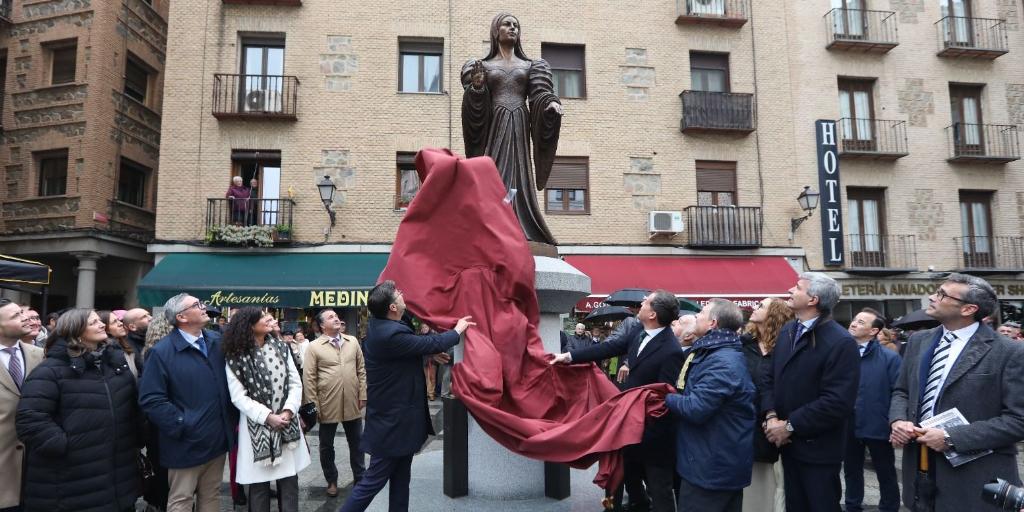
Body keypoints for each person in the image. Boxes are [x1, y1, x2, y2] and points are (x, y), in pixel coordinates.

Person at [889, 274, 1024, 512]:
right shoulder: (919, 341)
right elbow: (901, 390)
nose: (932, 297)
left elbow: (1018, 420)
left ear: (968, 309)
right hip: (919, 471)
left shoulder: (1009, 352)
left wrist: (952, 438)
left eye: (942, 294)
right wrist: (899, 420)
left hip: (976, 480)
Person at [339, 280, 474, 512]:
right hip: (392, 424)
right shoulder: (388, 333)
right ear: (392, 307)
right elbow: (432, 340)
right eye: (398, 293)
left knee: (402, 480)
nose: (403, 295)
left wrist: (428, 354)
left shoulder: (384, 326)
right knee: (371, 483)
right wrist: (457, 330)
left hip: (400, 422)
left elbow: (406, 353)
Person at [551, 290, 686, 512]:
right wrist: (569, 357)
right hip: (628, 430)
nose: (642, 302)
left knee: (659, 491)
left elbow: (665, 397)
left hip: (652, 438)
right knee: (628, 485)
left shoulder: (671, 350)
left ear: (652, 314)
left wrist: (644, 431)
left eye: (647, 301)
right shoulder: (638, 332)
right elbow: (609, 347)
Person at [16, 308, 142, 512]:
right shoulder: (50, 370)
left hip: (118, 475)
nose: (102, 324)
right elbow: (30, 420)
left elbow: (132, 409)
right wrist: (67, 447)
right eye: (93, 323)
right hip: (70, 480)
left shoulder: (115, 365)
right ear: (76, 331)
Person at [460, 12, 564, 245]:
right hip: (494, 128)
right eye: (507, 24)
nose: (512, 28)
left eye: (516, 25)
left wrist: (551, 104)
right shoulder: (482, 66)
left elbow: (540, 94)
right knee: (493, 175)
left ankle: (522, 226)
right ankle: (491, 225)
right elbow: (475, 106)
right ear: (496, 31)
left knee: (519, 176)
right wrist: (476, 88)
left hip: (518, 123)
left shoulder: (531, 65)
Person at [762, 272, 859, 512]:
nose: (790, 290)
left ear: (813, 299)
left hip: (819, 451)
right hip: (786, 446)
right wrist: (771, 415)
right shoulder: (787, 332)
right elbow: (769, 378)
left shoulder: (841, 342)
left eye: (797, 287)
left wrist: (789, 426)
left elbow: (837, 402)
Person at [138, 294, 235, 512]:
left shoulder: (216, 341)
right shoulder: (161, 352)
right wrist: (183, 423)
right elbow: (151, 399)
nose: (204, 307)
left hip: (217, 440)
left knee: (211, 496)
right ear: (181, 317)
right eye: (197, 305)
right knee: (181, 500)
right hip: (185, 443)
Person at [667, 299, 754, 512]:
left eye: (701, 313)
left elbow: (696, 408)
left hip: (711, 468)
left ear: (712, 323)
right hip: (708, 460)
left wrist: (666, 396)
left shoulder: (722, 361)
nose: (696, 316)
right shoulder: (712, 352)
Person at [223, 308, 310, 512]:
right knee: (259, 487)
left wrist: (288, 411)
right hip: (256, 428)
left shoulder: (281, 347)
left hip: (286, 424)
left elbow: (295, 383)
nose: (268, 319)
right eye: (262, 317)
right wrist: (267, 417)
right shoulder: (236, 355)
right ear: (249, 325)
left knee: (289, 483)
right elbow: (238, 396)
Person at [304, 309, 367, 498]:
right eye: (330, 317)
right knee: (326, 445)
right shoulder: (314, 347)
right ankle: (331, 480)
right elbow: (309, 378)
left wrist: (363, 393)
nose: (336, 318)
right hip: (327, 403)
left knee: (357, 443)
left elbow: (361, 369)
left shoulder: (352, 341)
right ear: (322, 325)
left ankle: (360, 478)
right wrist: (312, 406)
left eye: (336, 316)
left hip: (351, 401)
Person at [843, 308, 901, 512]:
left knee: (885, 471)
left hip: (877, 423)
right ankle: (852, 506)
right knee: (851, 470)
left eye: (861, 322)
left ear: (874, 331)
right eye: (854, 320)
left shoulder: (889, 358)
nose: (853, 324)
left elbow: (899, 392)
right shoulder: (841, 354)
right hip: (847, 423)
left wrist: (893, 421)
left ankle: (889, 508)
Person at [740, 298, 793, 512]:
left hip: (777, 426)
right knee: (751, 488)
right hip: (746, 425)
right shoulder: (744, 344)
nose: (755, 308)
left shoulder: (787, 347)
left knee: (778, 485)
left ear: (775, 315)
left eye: (761, 306)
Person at [0, 300, 44, 512]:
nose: (26, 318)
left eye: (22, 312)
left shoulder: (40, 355)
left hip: (36, 466)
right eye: (16, 316)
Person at [98, 310, 139, 379]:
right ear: (104, 328)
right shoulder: (105, 352)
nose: (120, 323)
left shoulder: (126, 343)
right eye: (114, 322)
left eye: (118, 320)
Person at [419, 323, 439, 401]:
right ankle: (428, 392)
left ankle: (431, 393)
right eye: (423, 327)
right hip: (424, 360)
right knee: (426, 377)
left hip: (432, 359)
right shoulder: (419, 337)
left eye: (426, 327)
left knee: (432, 377)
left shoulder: (433, 336)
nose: (424, 328)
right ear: (421, 329)